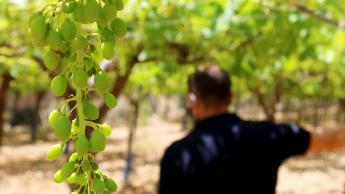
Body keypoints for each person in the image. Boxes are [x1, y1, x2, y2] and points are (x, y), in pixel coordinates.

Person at [158, 65, 343, 194]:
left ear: (192, 101)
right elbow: (332, 138)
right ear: (231, 97)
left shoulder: (177, 155)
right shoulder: (269, 135)